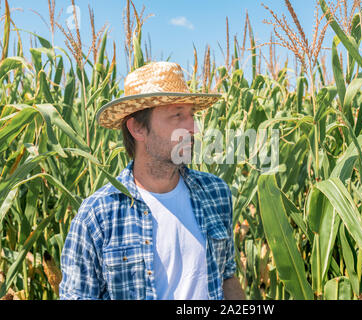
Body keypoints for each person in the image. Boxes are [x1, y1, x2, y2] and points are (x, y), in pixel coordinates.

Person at [59, 61, 245, 300]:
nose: (193, 128)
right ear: (138, 128)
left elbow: (226, 275)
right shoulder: (98, 215)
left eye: (192, 115)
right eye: (178, 116)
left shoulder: (216, 193)